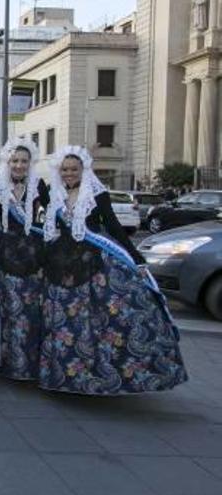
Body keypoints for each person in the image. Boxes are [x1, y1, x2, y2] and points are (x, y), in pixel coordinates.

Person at [40, 146, 188, 395]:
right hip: (62, 262)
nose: (69, 173)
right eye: (64, 169)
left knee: (98, 318)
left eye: (74, 169)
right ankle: (63, 375)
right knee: (64, 319)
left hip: (93, 260)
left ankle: (96, 375)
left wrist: (134, 254)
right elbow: (50, 227)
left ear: (84, 170)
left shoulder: (98, 195)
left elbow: (113, 226)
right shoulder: (54, 194)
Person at [0, 138, 50, 380]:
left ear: (30, 163)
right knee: (9, 307)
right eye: (15, 161)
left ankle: (29, 364)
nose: (19, 165)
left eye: (24, 161)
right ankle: (8, 361)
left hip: (33, 252)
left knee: (31, 308)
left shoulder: (39, 185)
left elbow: (52, 215)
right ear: (7, 162)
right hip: (6, 251)